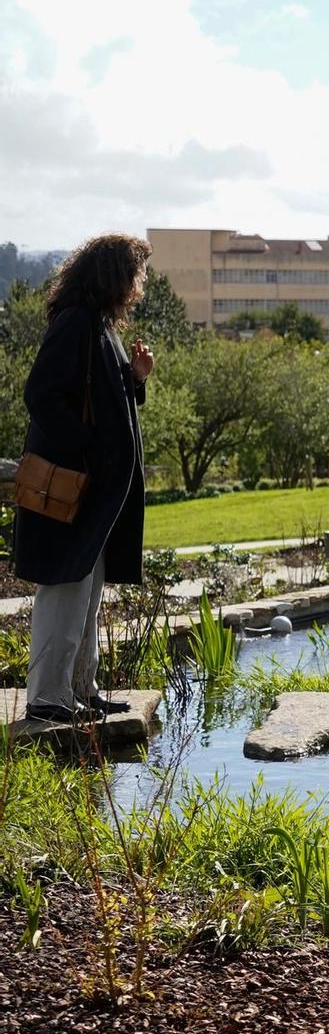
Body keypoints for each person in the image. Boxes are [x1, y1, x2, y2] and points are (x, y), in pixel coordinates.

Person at [19, 233, 155, 723]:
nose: (139, 286)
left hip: (95, 494)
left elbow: (106, 401)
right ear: (115, 276)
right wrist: (86, 450)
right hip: (71, 491)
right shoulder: (76, 323)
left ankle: (80, 688)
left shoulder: (100, 327)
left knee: (88, 591)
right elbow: (41, 396)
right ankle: (47, 698)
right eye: (136, 275)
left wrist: (135, 378)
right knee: (64, 589)